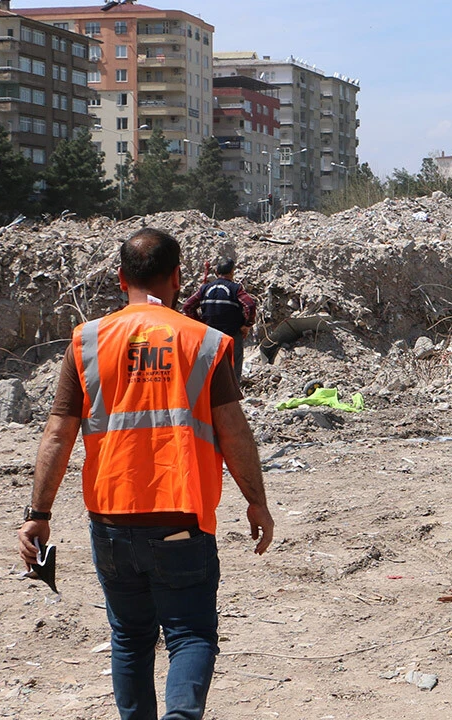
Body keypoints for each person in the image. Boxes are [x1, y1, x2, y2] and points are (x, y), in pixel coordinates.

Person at [17, 228, 275, 720]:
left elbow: (56, 436)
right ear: (178, 279)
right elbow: (235, 434)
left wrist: (38, 514)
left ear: (120, 278)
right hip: (182, 514)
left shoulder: (88, 341)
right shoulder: (202, 342)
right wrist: (256, 500)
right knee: (191, 635)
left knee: (131, 638)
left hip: (112, 520)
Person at [181, 257, 257, 385]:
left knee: (210, 368)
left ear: (217, 272)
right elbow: (250, 305)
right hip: (231, 334)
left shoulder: (204, 289)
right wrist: (246, 325)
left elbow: (187, 306)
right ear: (232, 272)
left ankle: (209, 396)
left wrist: (200, 323)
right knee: (233, 367)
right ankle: (232, 396)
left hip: (209, 334)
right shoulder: (235, 288)